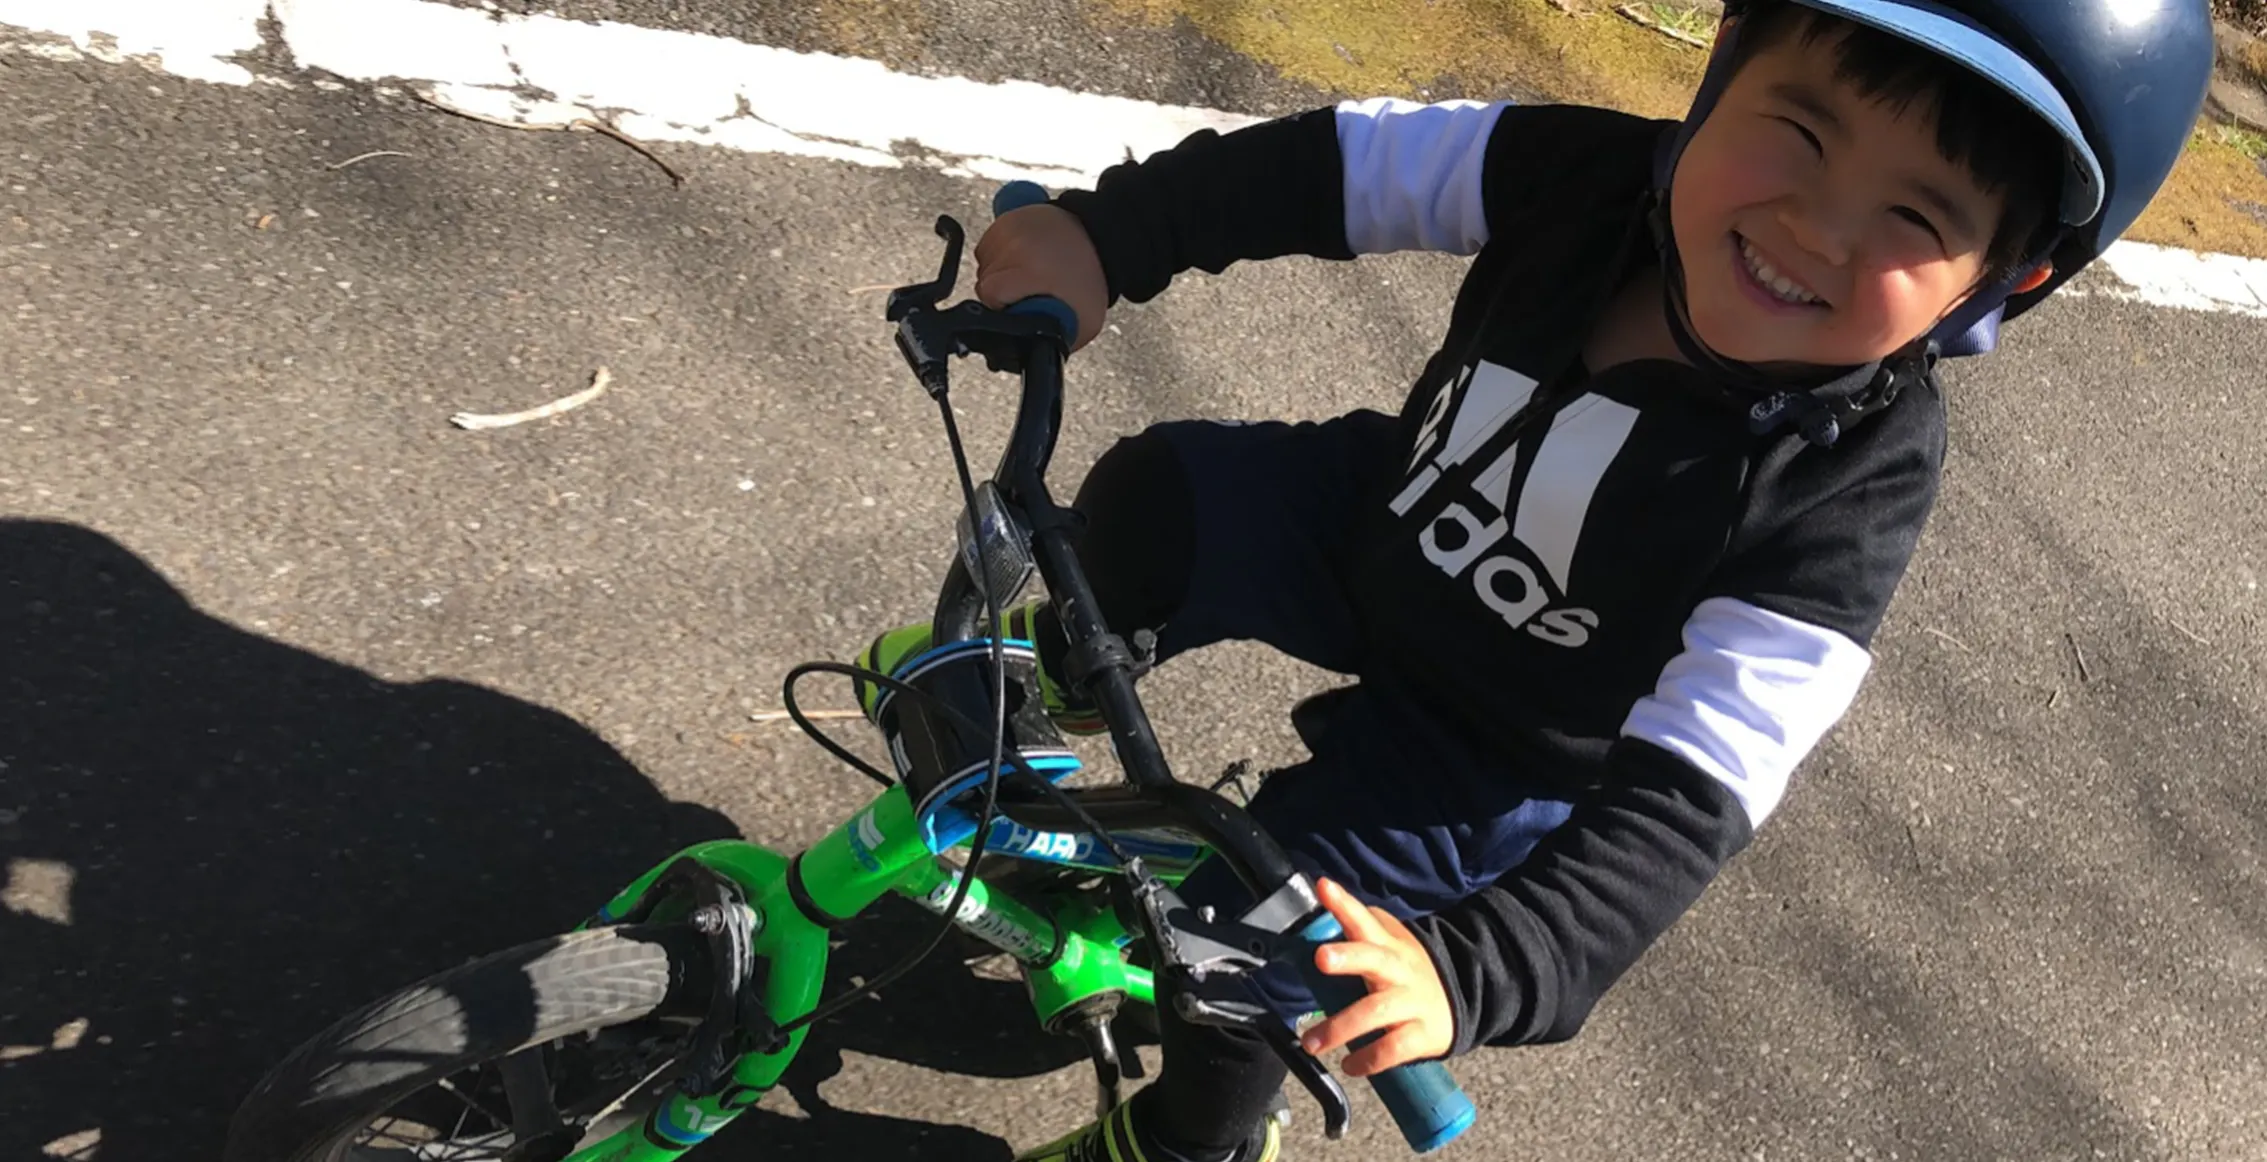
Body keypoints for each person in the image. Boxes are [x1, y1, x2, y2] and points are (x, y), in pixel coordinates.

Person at [854, 3, 2213, 1160]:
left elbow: (1695, 793)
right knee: (1160, 497)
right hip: (1385, 522)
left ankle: (1183, 1142)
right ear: (1718, 68)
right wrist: (1113, 235)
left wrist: (1468, 972)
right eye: (1798, 130)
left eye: (1915, 214)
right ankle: (1040, 676)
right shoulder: (1583, 173)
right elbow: (1339, 169)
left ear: (2004, 280)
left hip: (1495, 749)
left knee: (1260, 952)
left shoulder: (1854, 483)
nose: (1816, 224)